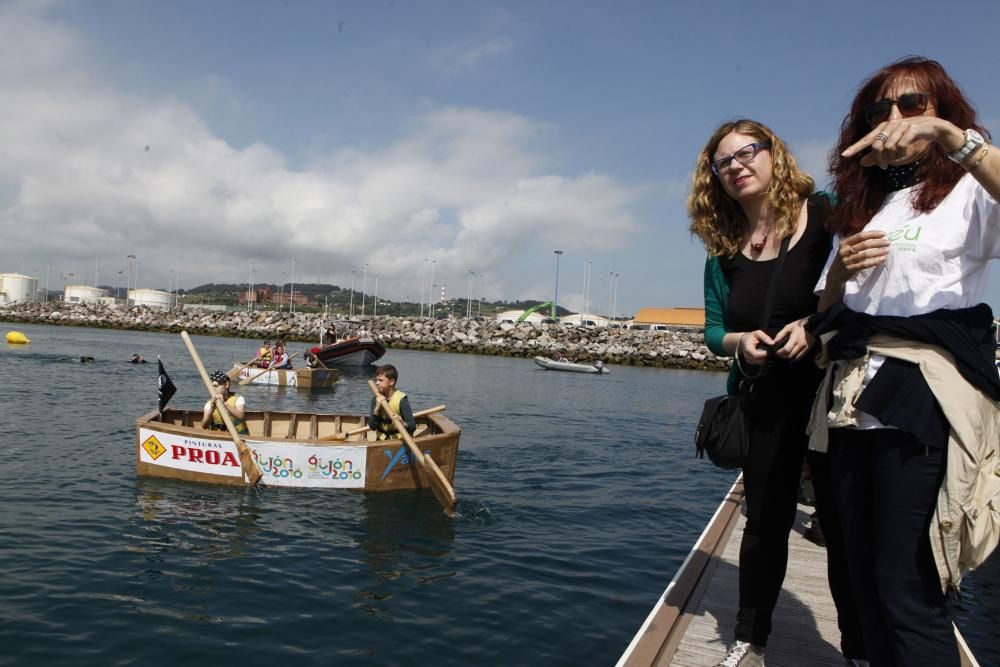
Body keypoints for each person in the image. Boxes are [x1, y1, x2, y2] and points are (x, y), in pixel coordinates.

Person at [812, 56, 1000, 667]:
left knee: (907, 584)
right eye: (879, 110)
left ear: (942, 110)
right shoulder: (865, 206)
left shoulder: (970, 191)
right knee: (858, 575)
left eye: (914, 105)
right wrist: (840, 268)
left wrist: (955, 140)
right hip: (850, 402)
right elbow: (830, 307)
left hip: (922, 401)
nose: (895, 120)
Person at [690, 119, 864, 666]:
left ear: (774, 155)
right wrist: (743, 342)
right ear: (714, 179)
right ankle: (750, 634)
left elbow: (859, 283)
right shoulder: (722, 255)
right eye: (724, 162)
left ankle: (859, 646)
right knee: (765, 522)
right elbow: (715, 333)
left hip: (830, 395)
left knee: (841, 522)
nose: (737, 165)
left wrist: (812, 327)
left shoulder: (825, 211)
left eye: (748, 152)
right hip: (765, 401)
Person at [368, 364, 416, 440]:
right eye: (376, 380)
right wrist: (376, 409)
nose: (377, 383)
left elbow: (412, 426)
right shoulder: (376, 399)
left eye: (381, 380)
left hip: (399, 442)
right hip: (381, 440)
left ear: (392, 382)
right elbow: (372, 427)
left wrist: (403, 424)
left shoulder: (401, 399)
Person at [200, 370, 249, 434]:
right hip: (218, 438)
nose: (214, 389)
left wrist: (224, 404)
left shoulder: (238, 399)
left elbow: (241, 416)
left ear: (226, 385)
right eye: (212, 387)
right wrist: (211, 410)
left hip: (239, 436)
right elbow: (204, 426)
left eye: (216, 386)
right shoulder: (209, 404)